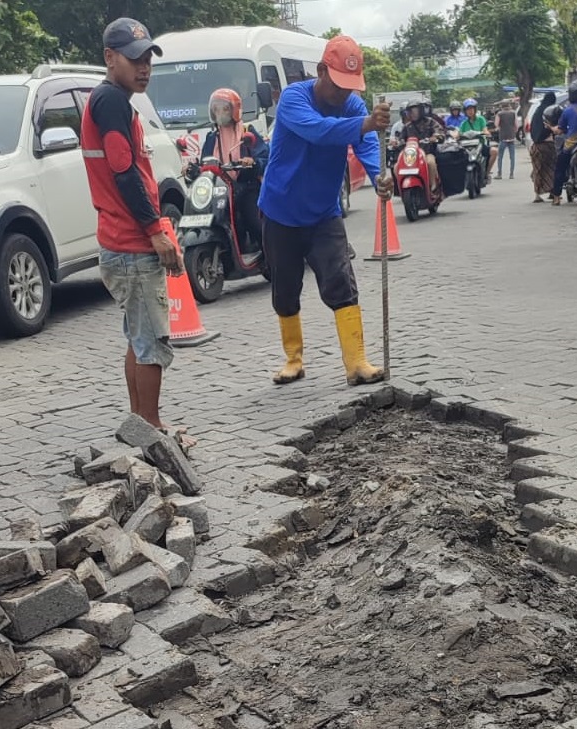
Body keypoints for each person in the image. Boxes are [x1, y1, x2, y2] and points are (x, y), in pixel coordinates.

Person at [257, 35, 394, 386]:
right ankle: (293, 359)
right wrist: (365, 124)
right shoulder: (294, 98)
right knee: (285, 288)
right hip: (280, 211)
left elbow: (367, 145)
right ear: (321, 71)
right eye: (338, 84)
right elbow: (318, 131)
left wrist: (380, 175)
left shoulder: (352, 106)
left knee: (341, 281)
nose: (343, 93)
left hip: (323, 213)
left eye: (350, 86)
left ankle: (357, 362)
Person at [82, 18, 187, 434]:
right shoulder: (110, 101)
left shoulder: (114, 101)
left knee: (138, 337)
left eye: (147, 60)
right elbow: (124, 173)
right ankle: (152, 427)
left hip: (122, 241)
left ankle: (140, 424)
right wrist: (156, 231)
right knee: (151, 342)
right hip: (130, 243)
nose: (144, 68)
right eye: (134, 60)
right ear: (110, 58)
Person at [192, 88, 269, 250]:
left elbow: (265, 157)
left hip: (246, 187)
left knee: (257, 224)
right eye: (216, 109)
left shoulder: (247, 132)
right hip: (220, 190)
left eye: (225, 109)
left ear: (235, 110)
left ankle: (269, 256)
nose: (220, 113)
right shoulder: (212, 137)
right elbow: (204, 163)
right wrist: (193, 169)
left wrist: (252, 162)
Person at [399, 98, 446, 194]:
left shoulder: (431, 122)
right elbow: (400, 138)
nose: (413, 113)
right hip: (411, 156)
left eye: (415, 110)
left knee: (430, 162)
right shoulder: (407, 126)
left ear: (421, 110)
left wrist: (435, 137)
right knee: (397, 166)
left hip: (427, 153)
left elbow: (439, 132)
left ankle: (433, 185)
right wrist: (396, 142)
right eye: (411, 111)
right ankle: (399, 189)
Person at [528, 91, 558, 203]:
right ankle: (553, 192)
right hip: (548, 145)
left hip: (535, 146)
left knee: (538, 170)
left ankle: (537, 195)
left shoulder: (537, 111)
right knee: (552, 169)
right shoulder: (550, 111)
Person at [457, 98, 493, 182]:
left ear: (475, 109)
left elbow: (485, 130)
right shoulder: (463, 123)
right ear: (465, 111)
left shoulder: (481, 119)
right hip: (466, 147)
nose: (470, 111)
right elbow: (458, 134)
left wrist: (486, 133)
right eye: (468, 109)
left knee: (494, 151)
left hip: (479, 146)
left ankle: (486, 173)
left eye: (472, 108)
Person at [495, 100, 519, 179]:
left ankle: (499, 174)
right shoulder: (513, 113)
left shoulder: (499, 114)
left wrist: (499, 128)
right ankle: (511, 174)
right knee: (512, 157)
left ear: (502, 106)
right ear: (509, 105)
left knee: (500, 157)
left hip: (503, 137)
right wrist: (514, 131)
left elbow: (496, 124)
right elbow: (516, 125)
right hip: (511, 137)